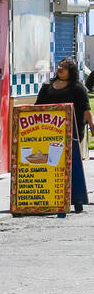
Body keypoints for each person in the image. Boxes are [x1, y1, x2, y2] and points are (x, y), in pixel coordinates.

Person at [35, 58, 93, 213]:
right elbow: (37, 108)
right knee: (52, 163)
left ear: (71, 71)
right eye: (59, 66)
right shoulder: (47, 87)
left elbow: (87, 110)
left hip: (71, 134)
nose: (60, 68)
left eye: (65, 67)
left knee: (66, 164)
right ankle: (52, 197)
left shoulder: (78, 88)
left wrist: (93, 128)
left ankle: (73, 199)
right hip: (48, 133)